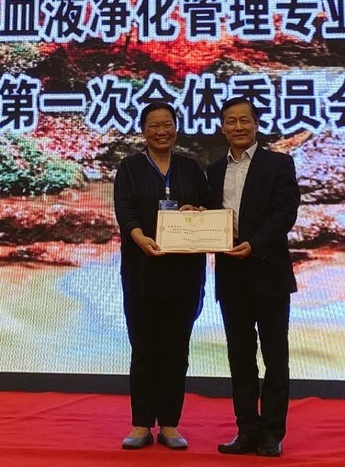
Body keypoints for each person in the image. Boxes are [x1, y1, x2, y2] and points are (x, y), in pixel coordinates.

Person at [112, 102, 210, 451]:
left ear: (176, 128)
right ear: (143, 130)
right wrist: (140, 238)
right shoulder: (130, 167)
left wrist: (197, 211)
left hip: (184, 274)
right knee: (144, 349)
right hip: (142, 272)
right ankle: (141, 424)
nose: (161, 131)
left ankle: (169, 423)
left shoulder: (191, 168)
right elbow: (125, 210)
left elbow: (208, 210)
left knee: (176, 351)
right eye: (154, 125)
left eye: (167, 124)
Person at [208, 97, 301, 458]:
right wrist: (192, 217)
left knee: (275, 356)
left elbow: (285, 214)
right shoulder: (215, 169)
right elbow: (210, 215)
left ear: (256, 124)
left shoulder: (279, 164)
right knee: (240, 356)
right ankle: (247, 429)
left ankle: (273, 433)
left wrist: (254, 244)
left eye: (244, 120)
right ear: (222, 127)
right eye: (230, 121)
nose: (238, 127)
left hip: (269, 271)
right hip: (230, 274)